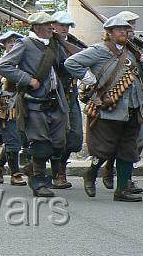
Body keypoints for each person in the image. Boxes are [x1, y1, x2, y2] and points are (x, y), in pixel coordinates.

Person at [65, 15, 143, 202]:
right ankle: (91, 173)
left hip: (133, 107)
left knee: (128, 150)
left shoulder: (133, 52)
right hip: (109, 107)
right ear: (110, 33)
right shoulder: (99, 50)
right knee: (103, 149)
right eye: (119, 29)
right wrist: (89, 78)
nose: (124, 32)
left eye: (126, 29)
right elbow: (71, 63)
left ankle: (122, 190)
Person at [0, 12, 69, 197]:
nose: (51, 27)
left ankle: (34, 170)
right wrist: (28, 79)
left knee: (60, 142)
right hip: (34, 101)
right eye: (47, 25)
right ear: (36, 27)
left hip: (56, 100)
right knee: (40, 142)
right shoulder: (24, 44)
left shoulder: (54, 43)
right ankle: (38, 180)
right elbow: (4, 66)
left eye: (51, 24)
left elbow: (63, 64)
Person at [100, 10, 143, 195]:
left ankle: (127, 180)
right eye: (127, 25)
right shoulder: (111, 49)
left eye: (132, 24)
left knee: (134, 144)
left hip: (136, 101)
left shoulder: (138, 46)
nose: (130, 28)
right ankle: (107, 168)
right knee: (110, 143)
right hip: (117, 101)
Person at [50, 11, 84, 189]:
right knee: (55, 138)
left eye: (67, 25)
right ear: (52, 25)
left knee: (75, 137)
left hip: (71, 95)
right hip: (52, 96)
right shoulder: (46, 45)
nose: (65, 28)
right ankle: (56, 172)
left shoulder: (72, 43)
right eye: (62, 25)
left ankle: (61, 166)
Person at [0, 31, 27, 186]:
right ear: (4, 45)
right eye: (9, 42)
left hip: (25, 105)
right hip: (7, 107)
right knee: (12, 141)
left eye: (15, 41)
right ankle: (15, 173)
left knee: (21, 139)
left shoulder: (25, 62)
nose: (12, 44)